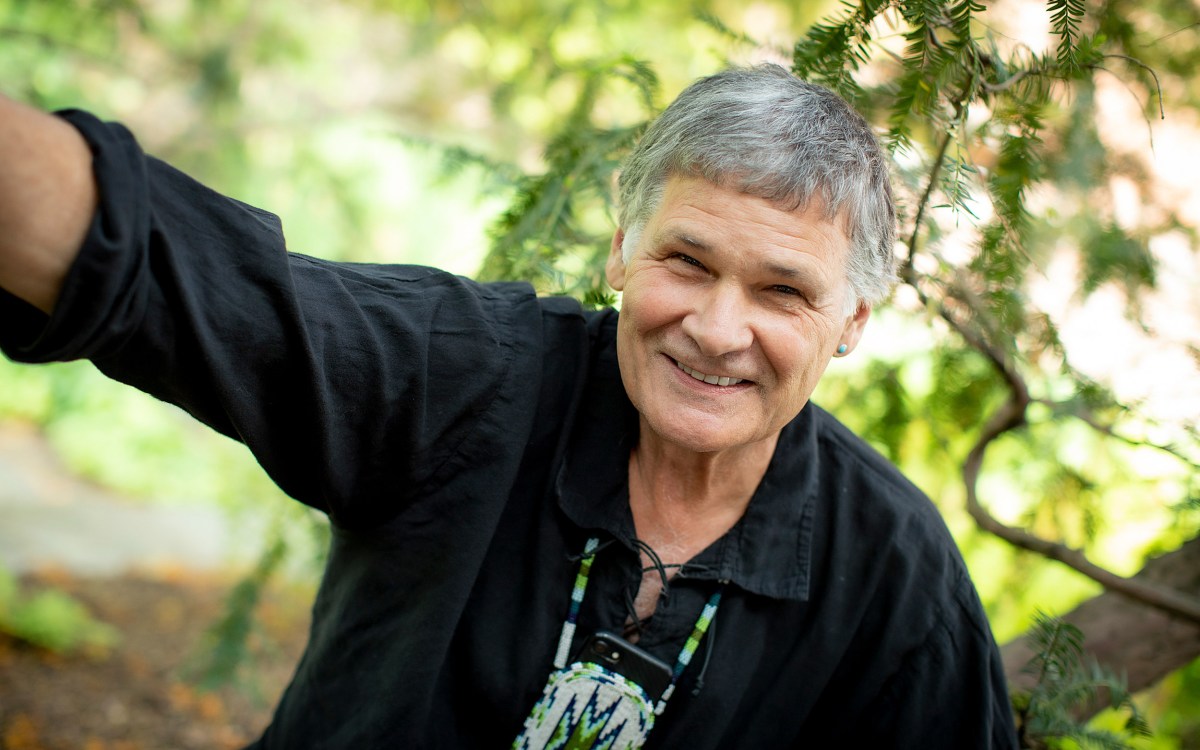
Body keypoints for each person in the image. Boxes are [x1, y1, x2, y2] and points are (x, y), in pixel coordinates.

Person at [0, 63, 1019, 747]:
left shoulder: (895, 576)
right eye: (686, 260)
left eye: (782, 292)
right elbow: (181, 272)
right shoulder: (468, 381)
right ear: (623, 247)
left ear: (851, 322)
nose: (716, 327)